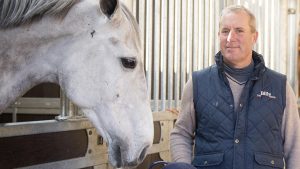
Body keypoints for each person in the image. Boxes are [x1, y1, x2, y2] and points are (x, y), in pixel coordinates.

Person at [169, 5, 300, 169]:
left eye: (239, 30)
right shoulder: (197, 83)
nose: (231, 37)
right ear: (219, 35)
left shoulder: (280, 86)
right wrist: (183, 165)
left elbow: (295, 146)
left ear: (254, 36)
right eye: (225, 31)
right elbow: (181, 134)